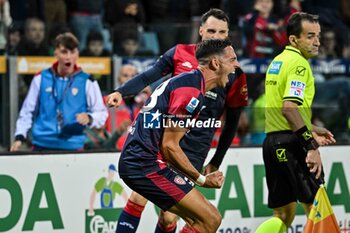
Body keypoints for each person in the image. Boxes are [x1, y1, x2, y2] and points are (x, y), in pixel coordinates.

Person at [107, 8, 248, 233]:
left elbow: (233, 120)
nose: (236, 66)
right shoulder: (190, 86)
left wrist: (215, 161)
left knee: (171, 219)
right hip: (152, 157)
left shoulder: (204, 81)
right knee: (207, 218)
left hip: (183, 150)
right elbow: (169, 142)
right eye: (211, 30)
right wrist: (201, 179)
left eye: (222, 32)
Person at [255, 12, 336, 233]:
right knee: (317, 210)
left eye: (318, 36)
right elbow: (289, 108)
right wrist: (311, 145)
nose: (317, 41)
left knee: (282, 215)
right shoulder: (299, 65)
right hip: (293, 145)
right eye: (310, 36)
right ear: (293, 39)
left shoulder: (278, 61)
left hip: (273, 143)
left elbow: (286, 111)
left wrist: (312, 126)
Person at [10, 32, 108, 151]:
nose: (68, 57)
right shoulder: (41, 78)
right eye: (64, 52)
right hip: (42, 145)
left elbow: (102, 113)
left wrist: (90, 118)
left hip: (73, 146)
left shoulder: (87, 81)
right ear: (55, 53)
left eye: (72, 52)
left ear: (77, 54)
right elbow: (27, 111)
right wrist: (20, 136)